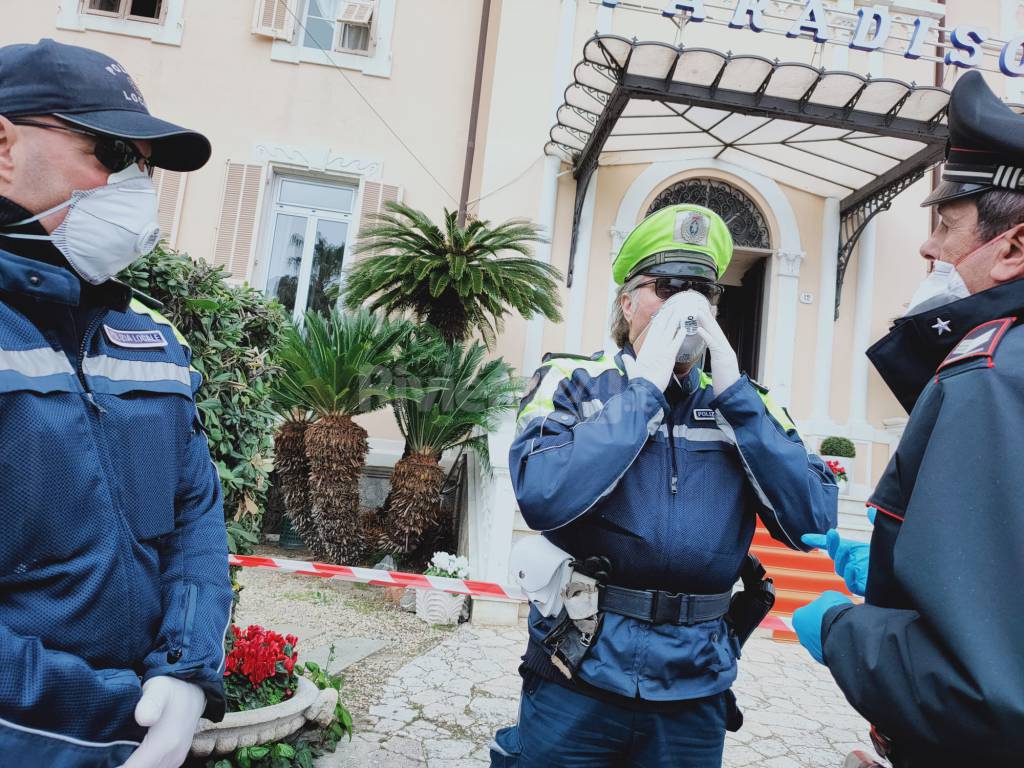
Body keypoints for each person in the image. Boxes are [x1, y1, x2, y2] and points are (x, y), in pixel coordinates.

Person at [489, 203, 838, 767]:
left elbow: (813, 523)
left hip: (692, 684)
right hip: (579, 669)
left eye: (704, 291)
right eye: (669, 288)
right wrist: (643, 392)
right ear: (627, 302)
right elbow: (543, 493)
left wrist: (737, 400)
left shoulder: (748, 403)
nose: (689, 308)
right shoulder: (575, 380)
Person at [0, 39, 232, 768]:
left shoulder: (151, 340)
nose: (135, 184)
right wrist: (107, 727)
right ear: (3, 147)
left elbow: (196, 516)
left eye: (144, 164)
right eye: (107, 151)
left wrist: (188, 670)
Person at [793, 70, 1024, 768]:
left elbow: (988, 691)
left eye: (946, 227)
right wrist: (900, 575)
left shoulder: (987, 376)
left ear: (1013, 248)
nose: (927, 249)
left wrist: (845, 630)